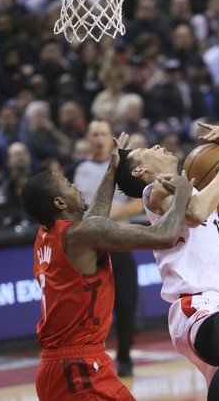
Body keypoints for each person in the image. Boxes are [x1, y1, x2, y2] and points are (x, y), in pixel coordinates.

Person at [20, 132, 193, 401]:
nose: (76, 186)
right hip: (77, 369)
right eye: (68, 184)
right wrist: (182, 193)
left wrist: (112, 171)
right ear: (59, 203)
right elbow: (164, 236)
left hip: (63, 366)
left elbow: (93, 220)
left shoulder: (47, 234)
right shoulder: (82, 234)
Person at [115, 123, 219, 401]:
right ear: (139, 171)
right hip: (194, 305)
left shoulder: (195, 193)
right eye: (147, 149)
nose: (156, 146)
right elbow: (196, 214)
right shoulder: (156, 191)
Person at [73, 120, 143, 377]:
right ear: (88, 139)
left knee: (125, 303)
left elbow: (140, 202)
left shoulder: (125, 166)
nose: (99, 138)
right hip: (92, 247)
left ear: (111, 136)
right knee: (87, 307)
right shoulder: (79, 170)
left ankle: (124, 356)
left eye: (104, 133)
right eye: (94, 134)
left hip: (120, 240)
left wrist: (116, 211)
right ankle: (87, 358)